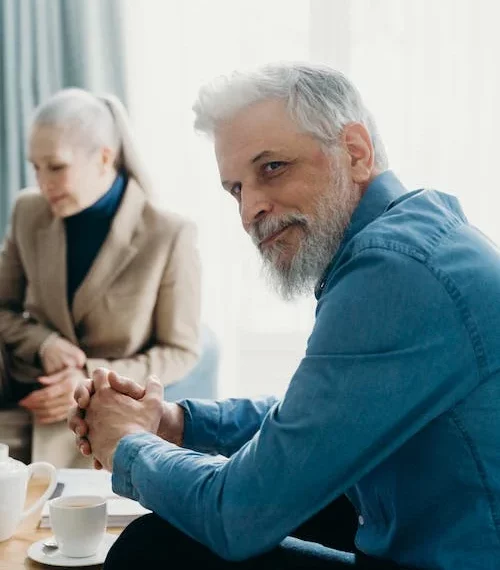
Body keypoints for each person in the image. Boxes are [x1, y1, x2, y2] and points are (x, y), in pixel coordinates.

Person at [69, 63, 500, 569]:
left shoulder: (395, 271)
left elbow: (235, 515)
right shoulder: (413, 235)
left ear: (355, 153)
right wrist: (176, 423)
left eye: (271, 167)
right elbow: (312, 420)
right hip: (423, 529)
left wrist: (126, 443)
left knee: (160, 548)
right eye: (234, 188)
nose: (250, 208)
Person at [0, 88, 201, 468]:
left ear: (104, 158)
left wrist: (89, 376)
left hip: (101, 411)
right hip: (23, 390)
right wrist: (43, 343)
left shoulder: (169, 234)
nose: (42, 184)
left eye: (56, 167)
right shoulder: (28, 210)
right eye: (36, 167)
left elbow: (181, 351)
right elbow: (2, 308)